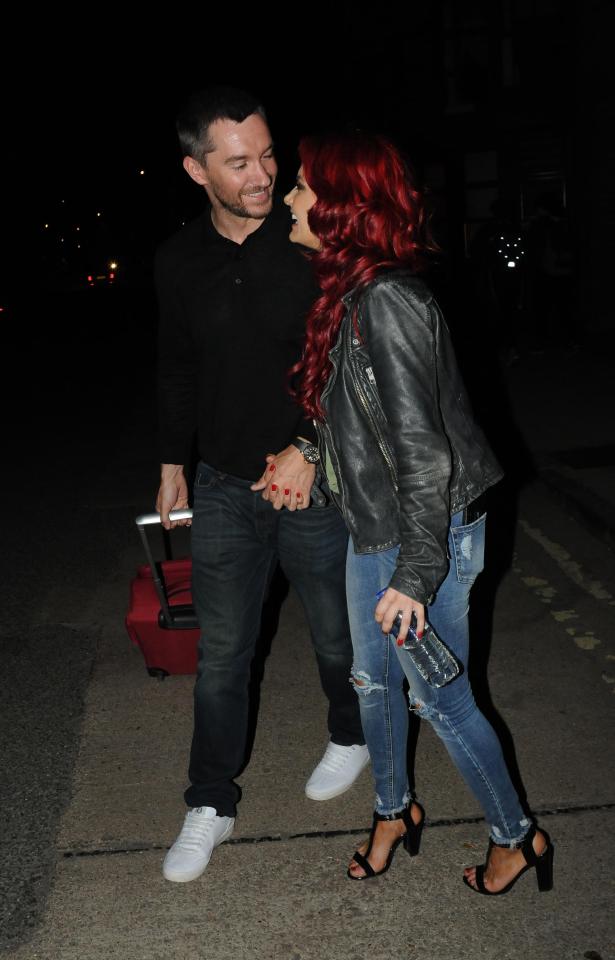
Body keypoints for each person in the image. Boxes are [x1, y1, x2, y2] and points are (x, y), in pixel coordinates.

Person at [279, 132, 554, 894]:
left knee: (438, 697)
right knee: (372, 684)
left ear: (342, 208)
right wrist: (308, 456)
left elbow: (422, 450)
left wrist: (416, 572)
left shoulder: (390, 301)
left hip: (422, 538)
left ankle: (515, 836)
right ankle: (393, 811)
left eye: (303, 187)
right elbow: (357, 419)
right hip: (376, 524)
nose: (289, 197)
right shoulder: (351, 295)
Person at [155, 89, 367, 884]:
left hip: (310, 485)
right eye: (238, 162)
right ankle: (209, 801)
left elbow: (354, 358)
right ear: (194, 168)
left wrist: (310, 447)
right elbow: (176, 365)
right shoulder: (176, 261)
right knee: (220, 656)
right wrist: (173, 458)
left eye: (268, 155)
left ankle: (349, 733)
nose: (263, 174)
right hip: (220, 485)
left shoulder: (311, 237)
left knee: (336, 635)